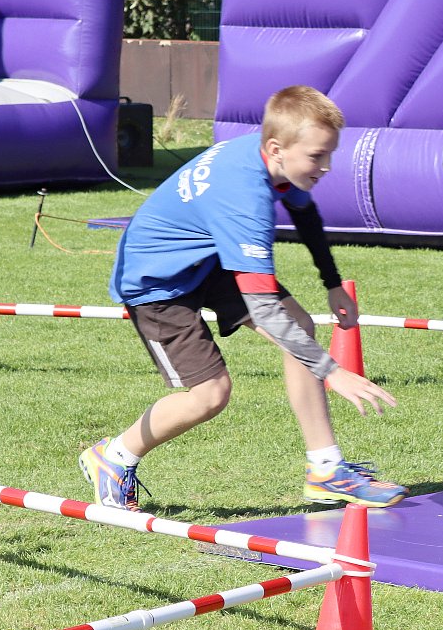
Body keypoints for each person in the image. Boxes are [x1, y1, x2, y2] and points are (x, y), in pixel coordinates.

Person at [82, 85, 407, 510]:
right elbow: (265, 310)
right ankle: (113, 456)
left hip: (205, 257)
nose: (326, 166)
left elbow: (305, 213)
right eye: (317, 156)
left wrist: (331, 283)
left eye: (330, 154)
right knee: (210, 394)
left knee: (299, 326)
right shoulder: (245, 199)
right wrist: (333, 372)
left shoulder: (274, 158)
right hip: (155, 281)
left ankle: (326, 470)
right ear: (276, 149)